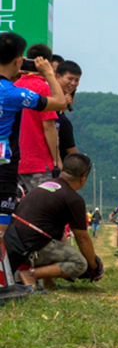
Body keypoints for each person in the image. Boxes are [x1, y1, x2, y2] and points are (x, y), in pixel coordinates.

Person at [0, 34, 66, 235]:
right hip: (5, 164)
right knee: (2, 227)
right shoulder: (14, 94)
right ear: (19, 60)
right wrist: (49, 74)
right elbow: (60, 102)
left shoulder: (14, 89)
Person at [4, 154, 103, 288]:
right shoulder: (74, 199)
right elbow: (82, 239)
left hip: (12, 242)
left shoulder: (46, 185)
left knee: (54, 243)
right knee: (79, 263)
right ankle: (30, 275)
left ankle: (49, 282)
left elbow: (57, 233)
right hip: (28, 248)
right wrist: (94, 266)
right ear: (83, 179)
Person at [15, 44, 60, 195]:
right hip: (38, 163)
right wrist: (56, 160)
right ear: (46, 63)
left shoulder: (13, 86)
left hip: (14, 161)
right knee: (42, 210)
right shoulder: (42, 88)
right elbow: (49, 127)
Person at [55, 61, 82, 158]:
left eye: (77, 80)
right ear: (58, 76)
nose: (73, 83)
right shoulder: (48, 98)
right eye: (70, 79)